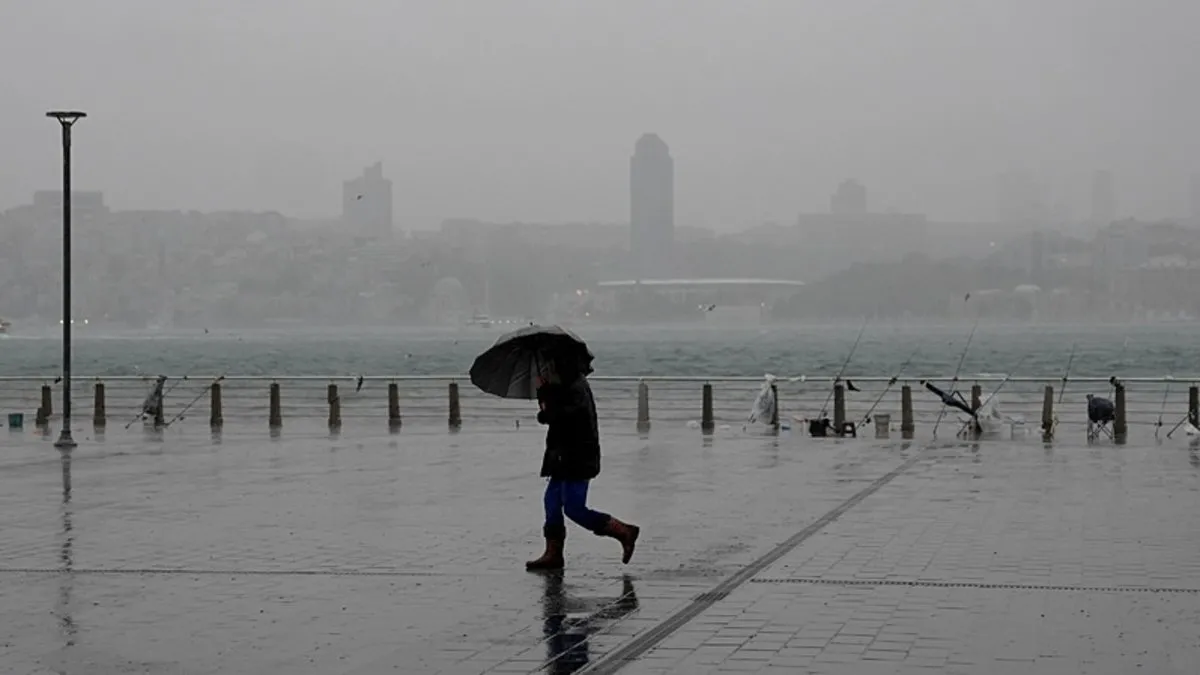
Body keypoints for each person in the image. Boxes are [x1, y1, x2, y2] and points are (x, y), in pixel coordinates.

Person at [525, 354, 641, 571]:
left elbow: (562, 416)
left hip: (577, 456)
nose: (547, 370)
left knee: (574, 508)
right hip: (561, 455)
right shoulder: (562, 385)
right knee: (551, 502)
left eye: (549, 366)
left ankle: (622, 530)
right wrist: (543, 391)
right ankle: (553, 554)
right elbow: (553, 413)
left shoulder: (574, 387)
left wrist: (545, 399)